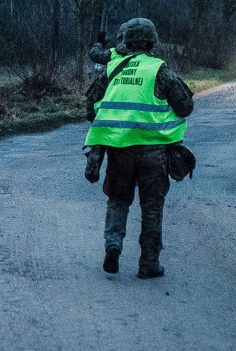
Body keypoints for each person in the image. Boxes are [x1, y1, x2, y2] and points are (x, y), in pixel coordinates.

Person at [83, 17, 194, 279]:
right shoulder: (160, 70)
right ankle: (148, 264)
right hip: (154, 154)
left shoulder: (111, 68)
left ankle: (113, 247)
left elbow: (91, 109)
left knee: (118, 201)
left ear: (123, 41)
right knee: (152, 207)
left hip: (120, 151)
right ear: (151, 41)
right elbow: (185, 107)